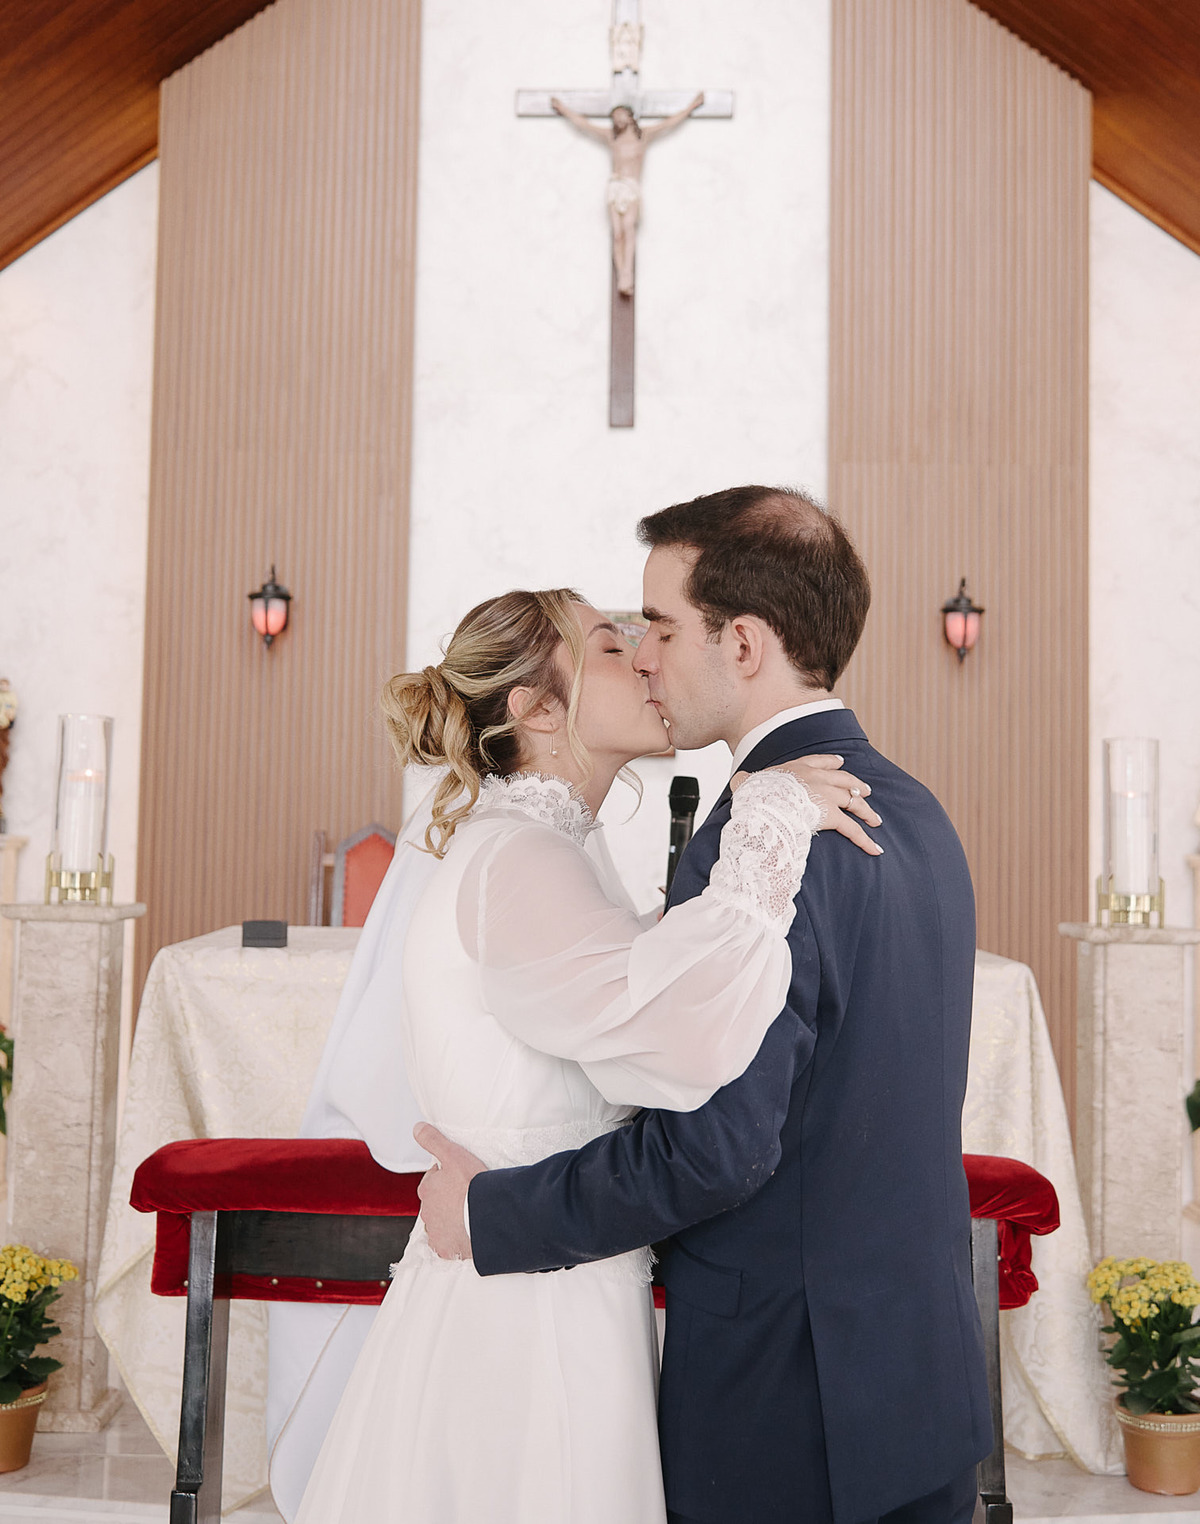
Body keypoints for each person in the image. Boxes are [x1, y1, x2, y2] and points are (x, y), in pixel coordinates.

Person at [418, 487, 993, 1524]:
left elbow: (716, 1152)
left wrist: (492, 1214)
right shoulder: (917, 812)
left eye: (663, 627)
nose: (645, 655)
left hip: (786, 1393)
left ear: (744, 644)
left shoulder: (764, 846)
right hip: (919, 1380)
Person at [291, 584, 880, 1524]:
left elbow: (625, 988)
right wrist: (765, 827)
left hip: (549, 1270)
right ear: (537, 708)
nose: (647, 656)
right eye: (612, 646)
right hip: (529, 1309)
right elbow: (670, 1037)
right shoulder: (520, 856)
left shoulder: (548, 850)